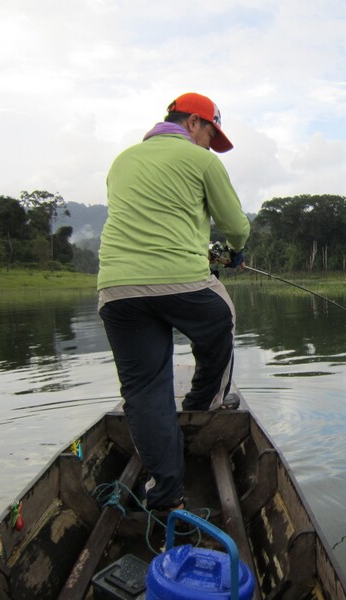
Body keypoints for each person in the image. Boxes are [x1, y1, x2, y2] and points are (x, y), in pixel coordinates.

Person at [97, 92, 250, 512]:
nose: (209, 144)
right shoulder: (202, 161)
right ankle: (203, 404)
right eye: (210, 134)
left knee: (145, 392)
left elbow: (147, 219)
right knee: (221, 317)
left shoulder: (122, 161)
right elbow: (236, 226)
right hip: (182, 282)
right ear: (193, 124)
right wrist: (234, 251)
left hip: (117, 291)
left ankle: (165, 494)